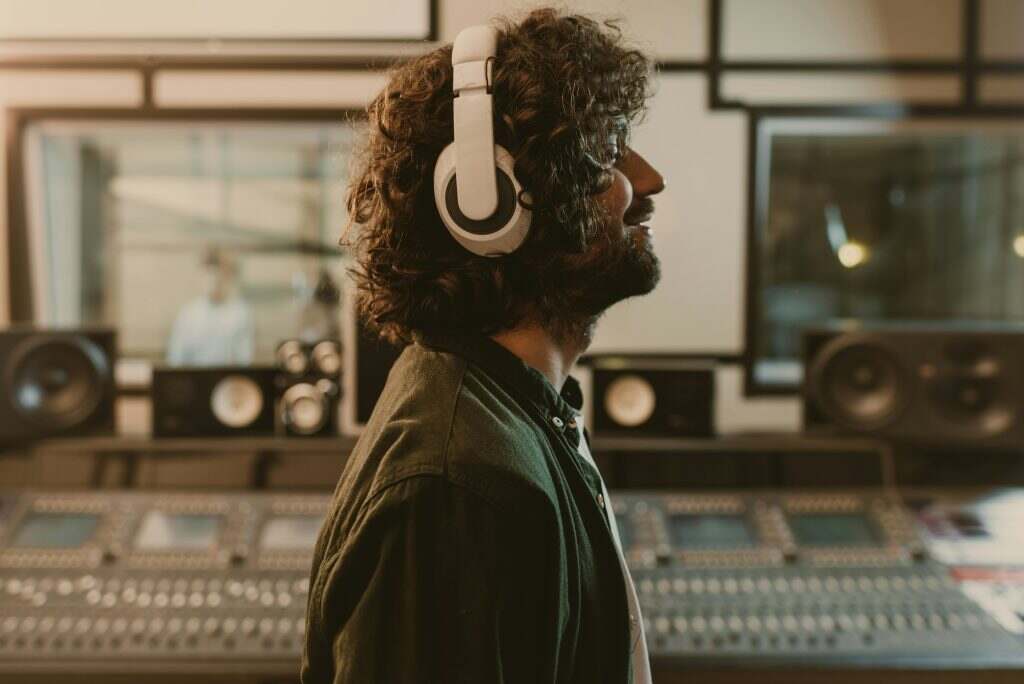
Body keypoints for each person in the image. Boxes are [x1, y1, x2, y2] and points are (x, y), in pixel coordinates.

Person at [302, 9, 665, 683]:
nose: (647, 182)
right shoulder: (454, 485)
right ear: (490, 203)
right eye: (610, 151)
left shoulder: (517, 418)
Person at [166, 247, 254, 366]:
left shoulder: (240, 313)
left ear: (227, 276)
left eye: (219, 274)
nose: (214, 280)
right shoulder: (188, 314)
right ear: (201, 275)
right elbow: (176, 360)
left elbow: (244, 360)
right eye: (209, 274)